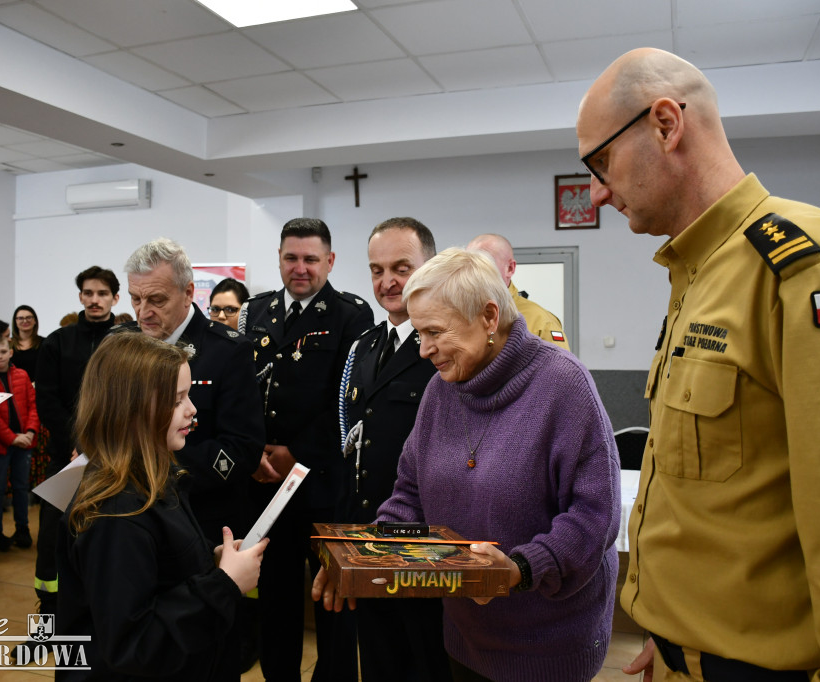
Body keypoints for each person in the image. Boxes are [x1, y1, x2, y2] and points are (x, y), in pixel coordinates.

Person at [576, 48, 820, 681]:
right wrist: (673, 629)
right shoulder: (698, 273)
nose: (596, 191)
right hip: (686, 656)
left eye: (600, 161)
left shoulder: (812, 268)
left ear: (666, 124)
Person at [315, 248, 620, 682]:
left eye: (435, 332)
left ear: (489, 316)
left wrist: (521, 569)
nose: (423, 351)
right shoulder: (442, 389)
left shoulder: (563, 386)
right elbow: (409, 494)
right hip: (466, 634)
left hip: (547, 643)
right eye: (419, 334)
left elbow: (595, 516)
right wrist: (363, 559)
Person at [56, 332, 269, 681]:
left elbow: (160, 576)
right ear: (132, 409)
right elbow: (133, 646)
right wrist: (223, 585)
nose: (192, 410)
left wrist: (211, 567)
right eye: (177, 400)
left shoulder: (157, 477)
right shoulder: (117, 514)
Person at [122, 238, 265, 680]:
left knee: (207, 653)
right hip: (135, 525)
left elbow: (240, 448)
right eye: (136, 298)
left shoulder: (227, 349)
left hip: (203, 525)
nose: (144, 311)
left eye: (157, 299)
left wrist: (158, 471)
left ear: (188, 293)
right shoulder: (125, 348)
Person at [239, 217, 374, 682]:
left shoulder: (351, 315)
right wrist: (254, 450)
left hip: (321, 484)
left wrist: (296, 453)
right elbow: (244, 391)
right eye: (291, 258)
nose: (300, 268)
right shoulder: (253, 311)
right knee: (275, 597)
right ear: (279, 259)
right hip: (264, 484)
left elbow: (345, 397)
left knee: (331, 597)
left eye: (311, 259)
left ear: (330, 261)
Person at [335, 217, 450, 682]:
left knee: (425, 662)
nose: (388, 282)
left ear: (431, 266)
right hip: (368, 535)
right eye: (377, 269)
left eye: (401, 267)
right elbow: (350, 448)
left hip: (424, 542)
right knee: (378, 659)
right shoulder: (365, 345)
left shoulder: (446, 346)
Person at [34, 265, 120, 616]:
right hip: (67, 460)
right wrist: (78, 443)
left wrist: (95, 444)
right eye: (88, 293)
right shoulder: (57, 341)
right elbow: (48, 401)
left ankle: (99, 623)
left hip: (114, 460)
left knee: (106, 540)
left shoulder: (127, 342)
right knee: (52, 542)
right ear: (80, 296)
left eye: (102, 293)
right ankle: (47, 623)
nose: (95, 300)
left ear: (115, 297)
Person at [0, 333, 39, 551]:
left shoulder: (22, 375)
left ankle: (22, 528)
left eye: (3, 352)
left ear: (11, 352)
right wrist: (11, 437)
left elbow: (33, 405)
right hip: (0, 444)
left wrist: (31, 431)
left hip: (25, 441)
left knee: (21, 487)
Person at [467, 233, 569, 350]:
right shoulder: (457, 313)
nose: (474, 272)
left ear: (510, 268)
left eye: (485, 265)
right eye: (468, 264)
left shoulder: (541, 321)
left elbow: (561, 367)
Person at [11, 304, 44, 383]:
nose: (25, 321)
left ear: (35, 320)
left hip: (38, 389)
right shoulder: (7, 345)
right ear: (15, 322)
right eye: (20, 318)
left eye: (29, 317)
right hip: (15, 389)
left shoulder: (45, 343)